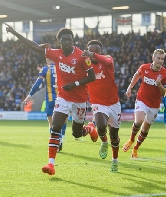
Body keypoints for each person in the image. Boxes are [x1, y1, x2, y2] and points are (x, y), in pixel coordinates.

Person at [5, 24, 97, 175]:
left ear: (72, 40)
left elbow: (91, 77)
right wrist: (15, 32)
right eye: (64, 40)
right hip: (63, 97)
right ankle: (51, 164)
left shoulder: (82, 56)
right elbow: (33, 46)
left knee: (76, 133)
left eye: (70, 39)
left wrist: (74, 84)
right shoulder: (56, 54)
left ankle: (89, 128)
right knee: (55, 128)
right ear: (59, 41)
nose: (67, 42)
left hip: (79, 99)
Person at [122, 49, 166, 158]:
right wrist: (130, 87)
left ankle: (135, 148)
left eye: (162, 59)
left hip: (154, 104)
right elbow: (137, 75)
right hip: (142, 99)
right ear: (153, 58)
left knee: (145, 129)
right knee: (139, 120)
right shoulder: (144, 67)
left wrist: (159, 84)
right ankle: (131, 140)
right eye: (158, 58)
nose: (160, 61)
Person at [81, 40, 121, 172]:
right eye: (90, 51)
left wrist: (93, 55)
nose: (93, 53)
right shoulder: (86, 66)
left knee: (114, 136)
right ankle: (104, 141)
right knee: (101, 125)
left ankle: (114, 161)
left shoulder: (108, 60)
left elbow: (108, 62)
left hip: (114, 104)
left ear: (100, 52)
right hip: (98, 103)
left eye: (96, 51)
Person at [24, 58, 67, 152]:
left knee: (51, 123)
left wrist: (29, 96)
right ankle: (62, 137)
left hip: (51, 99)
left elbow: (37, 84)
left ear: (47, 60)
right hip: (62, 99)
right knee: (63, 120)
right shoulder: (63, 68)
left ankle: (55, 143)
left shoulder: (45, 69)